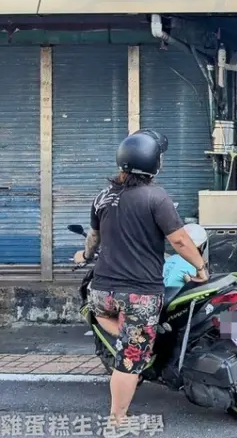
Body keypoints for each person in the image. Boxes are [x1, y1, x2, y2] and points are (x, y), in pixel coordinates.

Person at [72, 130, 208, 427]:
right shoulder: (156, 197)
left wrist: (84, 255)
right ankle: (117, 420)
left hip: (102, 292)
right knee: (130, 359)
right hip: (140, 295)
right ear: (154, 164)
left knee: (99, 314)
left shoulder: (102, 197)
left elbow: (93, 239)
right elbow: (180, 241)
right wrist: (200, 267)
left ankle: (131, 340)